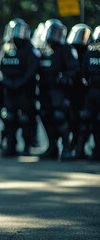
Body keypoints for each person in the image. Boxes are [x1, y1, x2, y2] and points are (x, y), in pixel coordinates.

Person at [0, 18, 39, 156]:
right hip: (9, 91)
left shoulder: (29, 49)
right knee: (8, 118)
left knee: (25, 119)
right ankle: (10, 145)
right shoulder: (6, 48)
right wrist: (7, 81)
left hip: (25, 91)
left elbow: (32, 70)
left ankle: (27, 146)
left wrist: (20, 82)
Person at [37, 19, 79, 159]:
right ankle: (52, 147)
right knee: (45, 116)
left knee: (59, 116)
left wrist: (64, 78)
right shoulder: (42, 49)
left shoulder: (67, 49)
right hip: (44, 90)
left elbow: (74, 69)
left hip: (59, 91)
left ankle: (66, 148)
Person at [65, 24, 92, 159]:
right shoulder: (68, 51)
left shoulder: (90, 53)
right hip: (72, 93)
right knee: (71, 120)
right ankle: (73, 146)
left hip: (87, 94)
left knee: (85, 121)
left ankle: (81, 148)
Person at [75, 25, 99, 160]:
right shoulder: (89, 53)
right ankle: (80, 150)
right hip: (91, 93)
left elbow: (83, 74)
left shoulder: (89, 53)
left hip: (91, 92)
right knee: (85, 121)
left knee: (88, 121)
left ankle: (86, 150)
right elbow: (83, 73)